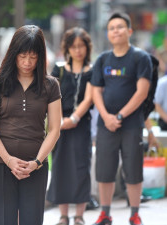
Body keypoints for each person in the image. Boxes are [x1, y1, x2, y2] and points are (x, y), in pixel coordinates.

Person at [0, 25, 62, 225]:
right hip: (1, 164)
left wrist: (37, 162)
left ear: (40, 57)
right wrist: (8, 160)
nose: (27, 62)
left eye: (33, 57)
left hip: (35, 166)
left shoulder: (50, 85)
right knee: (4, 220)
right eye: (22, 56)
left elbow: (54, 130)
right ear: (13, 54)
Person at [91, 12, 152, 225]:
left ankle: (134, 214)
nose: (115, 31)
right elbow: (96, 92)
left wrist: (119, 116)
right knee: (104, 171)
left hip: (131, 125)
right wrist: (107, 117)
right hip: (106, 125)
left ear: (129, 31)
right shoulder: (102, 60)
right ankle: (105, 213)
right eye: (111, 28)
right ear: (108, 34)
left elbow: (141, 93)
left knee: (133, 170)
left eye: (119, 27)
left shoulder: (140, 58)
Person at [46, 27, 93, 225]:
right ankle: (64, 216)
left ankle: (79, 215)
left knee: (81, 168)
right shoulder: (59, 69)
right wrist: (59, 121)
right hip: (59, 124)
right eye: (73, 47)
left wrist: (73, 119)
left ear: (87, 48)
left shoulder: (92, 70)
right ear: (67, 48)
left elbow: (89, 98)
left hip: (81, 124)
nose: (78, 50)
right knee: (60, 167)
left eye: (81, 46)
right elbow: (51, 96)